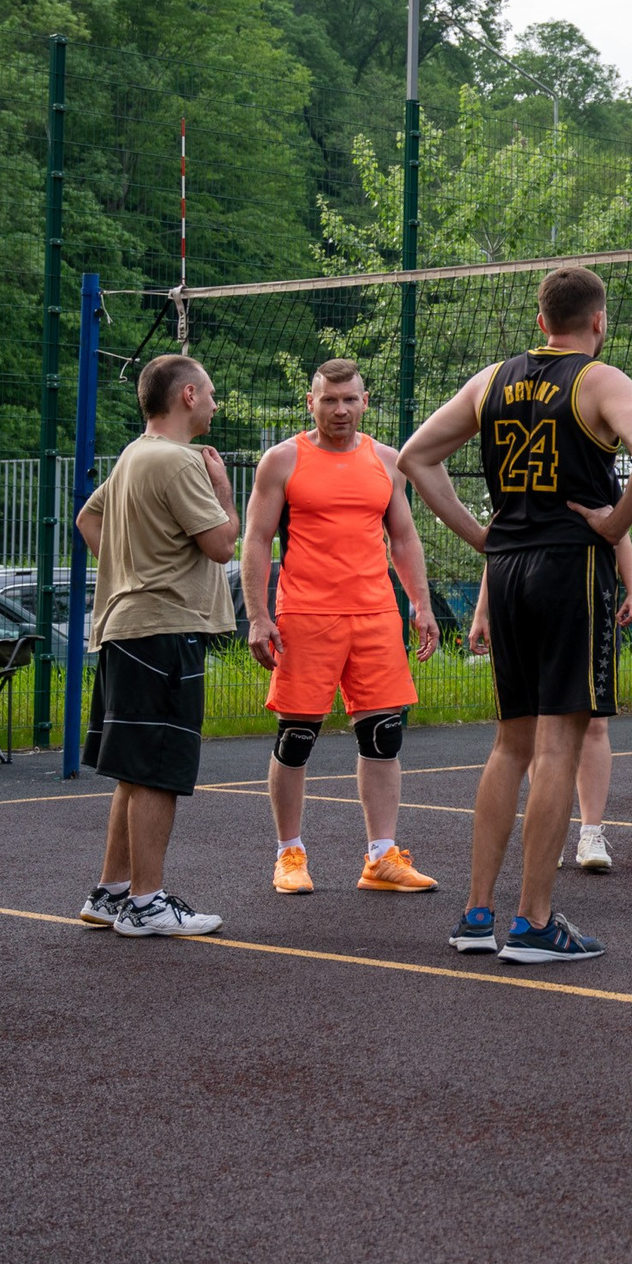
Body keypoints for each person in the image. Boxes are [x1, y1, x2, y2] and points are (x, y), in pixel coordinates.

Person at [401, 265, 632, 962]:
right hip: (569, 566)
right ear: (598, 321)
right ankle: (534, 921)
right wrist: (613, 527)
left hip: (509, 565)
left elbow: (416, 456)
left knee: (509, 744)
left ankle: (475, 913)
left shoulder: (491, 379)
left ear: (540, 317)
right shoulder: (599, 379)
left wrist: (480, 535)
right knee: (559, 745)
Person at [243, 359, 443, 897]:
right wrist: (259, 615)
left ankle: (381, 857)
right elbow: (257, 539)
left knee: (383, 736)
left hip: (376, 616)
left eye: (349, 399)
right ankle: (290, 853)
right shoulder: (282, 461)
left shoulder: (386, 460)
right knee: (297, 738)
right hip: (306, 617)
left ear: (365, 401)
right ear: (311, 403)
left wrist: (420, 604)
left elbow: (403, 539)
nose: (340, 410)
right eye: (329, 400)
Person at [71, 354, 238, 938]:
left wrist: (126, 569)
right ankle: (147, 903)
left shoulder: (133, 455)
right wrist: (223, 488)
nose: (216, 403)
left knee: (134, 771)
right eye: (211, 393)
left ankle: (111, 891)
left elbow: (86, 521)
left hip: (126, 626)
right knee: (160, 772)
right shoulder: (177, 461)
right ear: (188, 395)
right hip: (162, 628)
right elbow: (221, 544)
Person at [465, 535, 632, 870]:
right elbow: (500, 541)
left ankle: (591, 832)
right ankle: (549, 832)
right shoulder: (518, 489)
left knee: (593, 722)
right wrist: (481, 611)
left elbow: (619, 529)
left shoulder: (589, 482)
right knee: (530, 723)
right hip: (526, 607)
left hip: (587, 607)